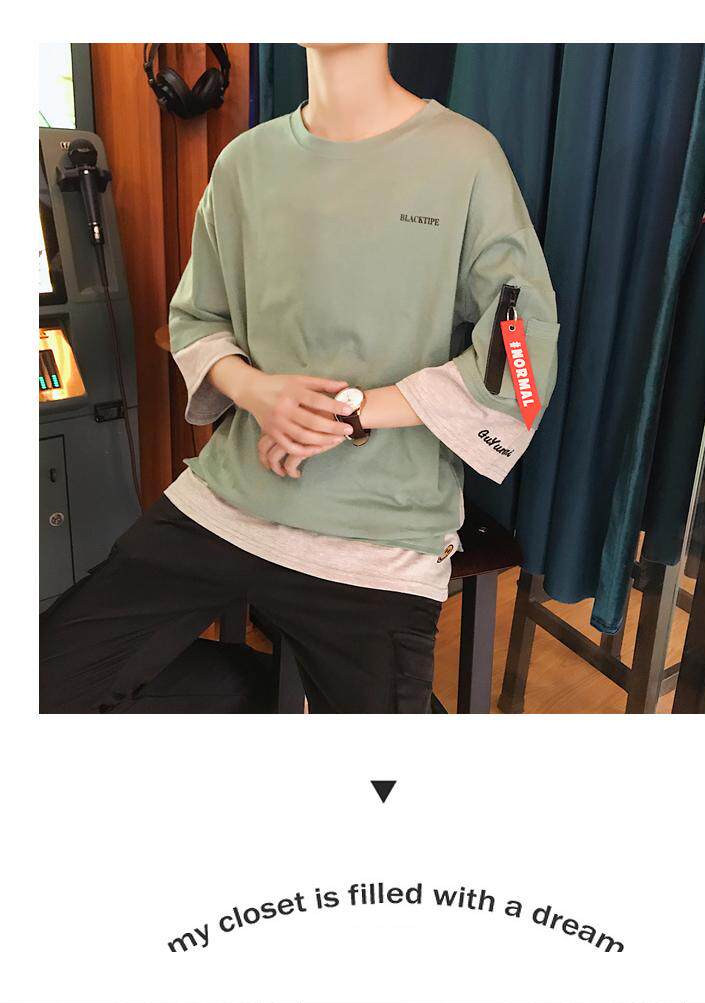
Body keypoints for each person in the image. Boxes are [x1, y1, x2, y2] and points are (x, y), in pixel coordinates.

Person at [39, 42, 560, 714]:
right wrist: (257, 392)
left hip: (378, 534)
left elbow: (522, 349)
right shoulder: (244, 163)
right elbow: (197, 318)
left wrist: (353, 410)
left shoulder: (465, 159)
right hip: (227, 502)